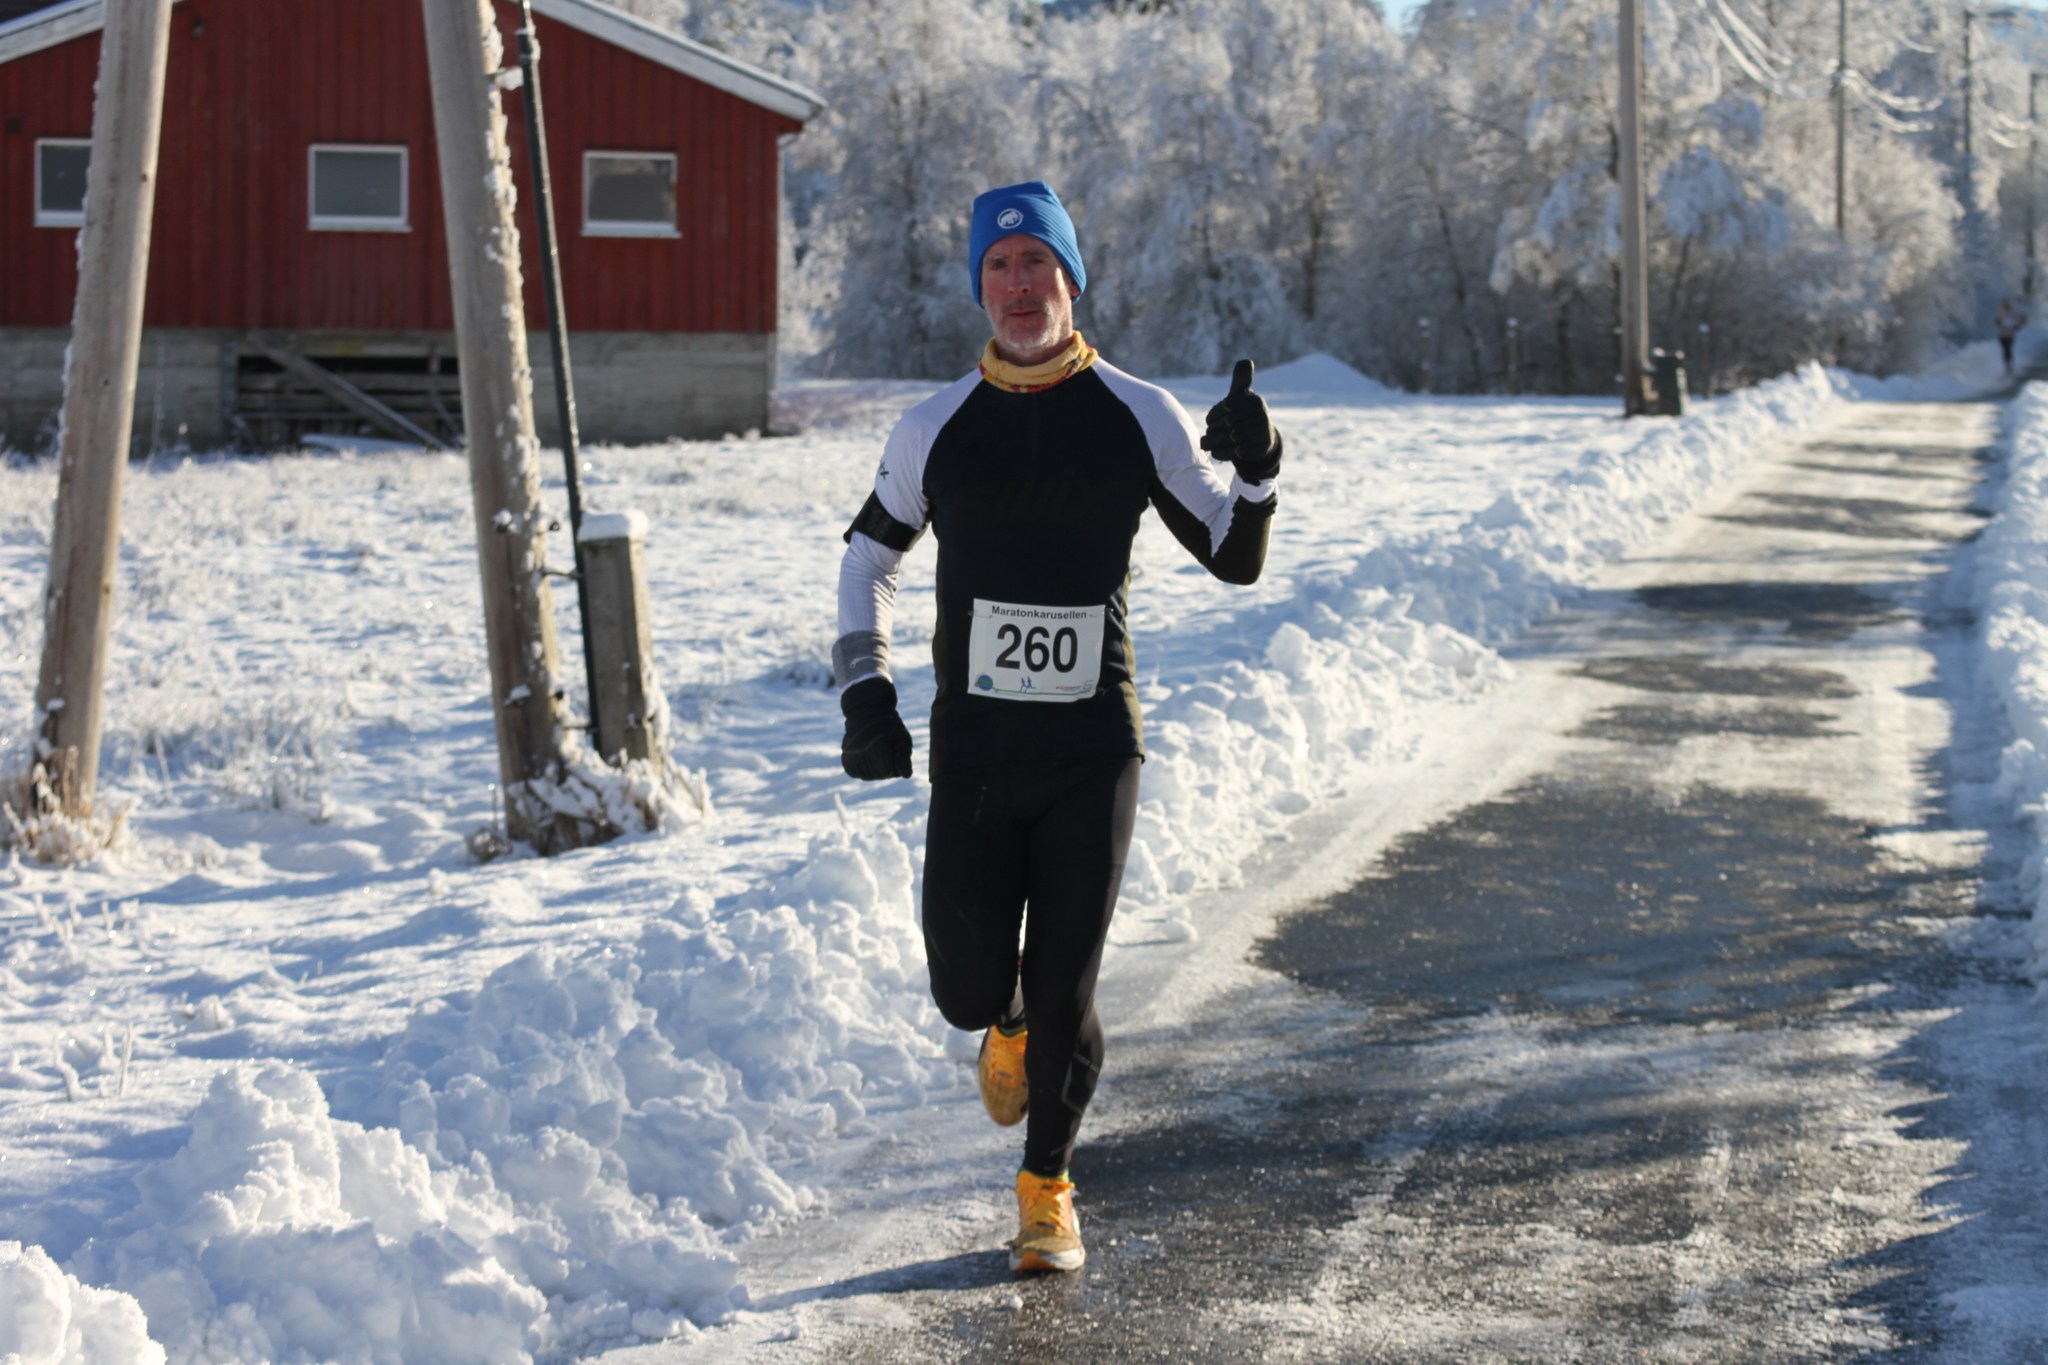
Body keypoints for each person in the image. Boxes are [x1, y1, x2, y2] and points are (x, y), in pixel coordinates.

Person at [830, 180, 1281, 1274]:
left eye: (1038, 262)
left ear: (1072, 280)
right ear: (978, 288)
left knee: (1072, 977)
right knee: (966, 988)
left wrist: (1258, 473)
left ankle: (1047, 1189)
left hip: (1092, 750)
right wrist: (864, 690)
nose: (1018, 284)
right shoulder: (934, 427)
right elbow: (869, 556)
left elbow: (1231, 554)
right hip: (977, 755)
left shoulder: (1136, 413)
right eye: (998, 266)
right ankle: (1008, 1016)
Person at [1997, 297, 2026, 375]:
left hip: (2010, 335)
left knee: (2008, 349)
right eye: (2005, 304)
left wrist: (2016, 326)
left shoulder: (2012, 313)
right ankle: (2007, 365)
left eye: (2007, 304)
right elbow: (1996, 321)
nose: (2006, 306)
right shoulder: (2000, 313)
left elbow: (2017, 321)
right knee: (2005, 350)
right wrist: (1999, 323)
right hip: (2002, 335)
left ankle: (2009, 365)